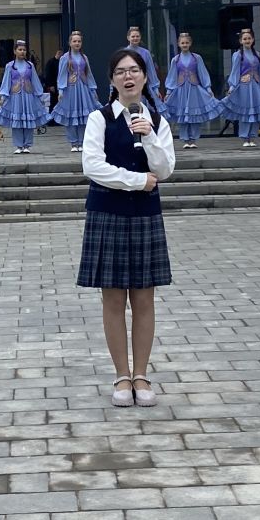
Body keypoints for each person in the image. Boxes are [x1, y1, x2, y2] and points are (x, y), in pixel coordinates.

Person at [79, 47, 176, 409]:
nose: (128, 76)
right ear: (112, 80)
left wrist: (149, 135)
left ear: (145, 77)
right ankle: (121, 374)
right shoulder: (99, 119)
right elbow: (92, 166)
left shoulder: (157, 121)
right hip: (108, 212)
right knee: (114, 298)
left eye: (134, 70)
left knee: (145, 298)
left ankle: (142, 375)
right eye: (120, 71)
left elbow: (165, 171)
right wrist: (136, 181)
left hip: (145, 215)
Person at [162, 32, 220, 149]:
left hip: (194, 89)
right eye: (182, 43)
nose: (185, 44)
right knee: (183, 115)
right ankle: (185, 139)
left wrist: (207, 88)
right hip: (181, 90)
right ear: (178, 44)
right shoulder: (175, 59)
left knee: (194, 114)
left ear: (190, 43)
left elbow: (202, 73)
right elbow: (172, 76)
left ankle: (193, 139)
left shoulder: (197, 58)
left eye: (187, 43)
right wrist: (169, 92)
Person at [0, 39, 50, 153]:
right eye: (20, 50)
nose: (22, 52)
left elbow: (35, 81)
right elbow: (6, 82)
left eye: (24, 50)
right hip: (15, 97)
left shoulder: (30, 65)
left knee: (28, 120)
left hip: (28, 97)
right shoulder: (10, 66)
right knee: (17, 120)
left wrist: (40, 96)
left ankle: (27, 145)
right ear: (15, 51)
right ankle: (19, 146)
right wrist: (3, 97)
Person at [50, 31, 100, 151]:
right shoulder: (64, 58)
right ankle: (73, 142)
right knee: (71, 116)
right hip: (70, 90)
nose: (77, 43)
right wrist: (61, 90)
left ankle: (82, 142)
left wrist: (93, 90)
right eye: (74, 41)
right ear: (70, 43)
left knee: (84, 116)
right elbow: (61, 75)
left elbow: (89, 75)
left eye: (79, 41)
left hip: (83, 90)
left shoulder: (84, 57)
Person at [125, 27, 157, 96]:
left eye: (137, 36)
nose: (135, 38)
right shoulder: (123, 53)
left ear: (140, 37)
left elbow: (151, 71)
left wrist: (155, 89)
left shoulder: (146, 53)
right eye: (133, 36)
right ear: (128, 38)